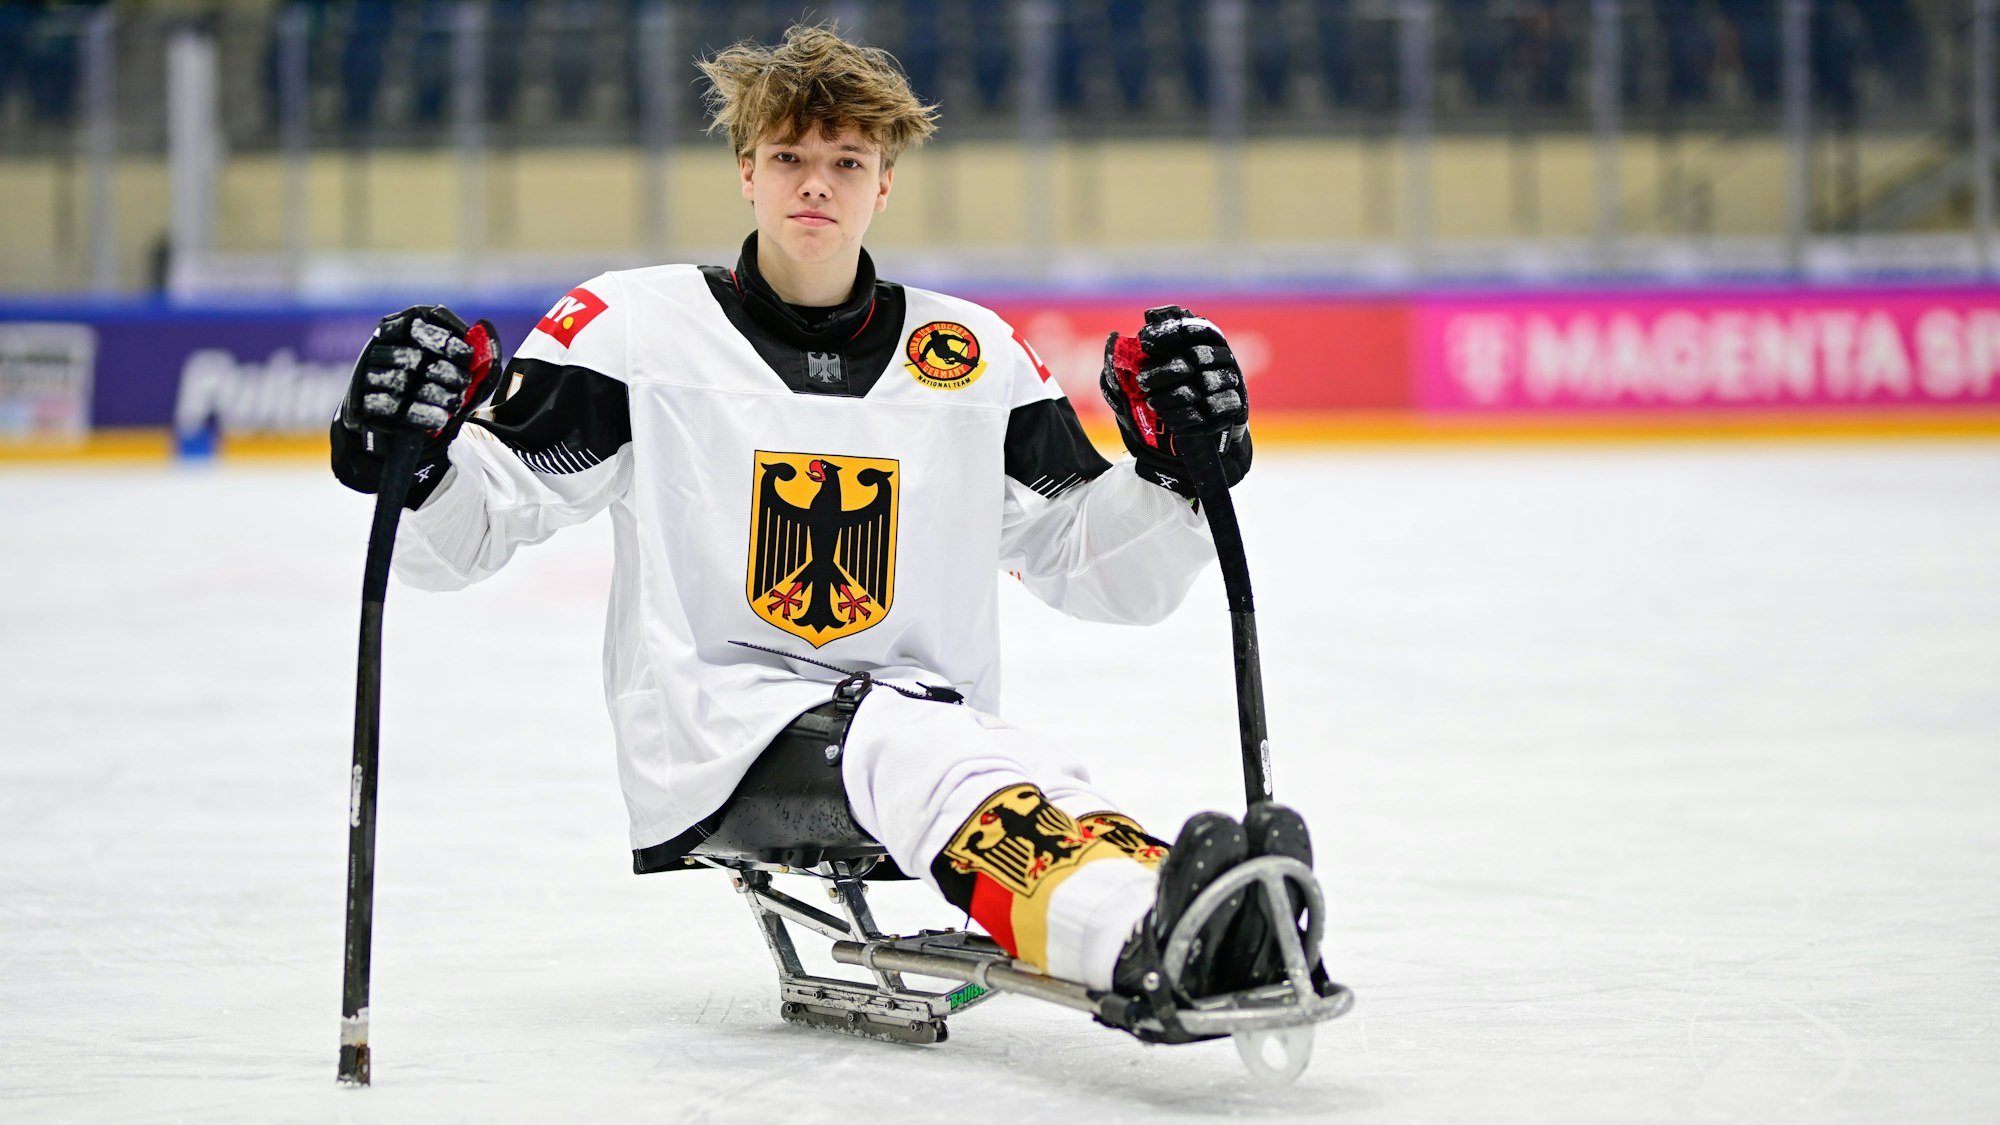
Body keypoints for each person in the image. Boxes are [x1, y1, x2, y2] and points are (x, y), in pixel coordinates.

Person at [328, 24, 1303, 1003]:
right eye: (789, 156)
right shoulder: (636, 331)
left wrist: (1171, 474)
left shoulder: (970, 355)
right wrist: (412, 467)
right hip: (722, 731)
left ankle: (1203, 914)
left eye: (846, 161)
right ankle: (1125, 937)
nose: (815, 183)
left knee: (1016, 765)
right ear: (745, 170)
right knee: (919, 748)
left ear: (883, 183)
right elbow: (481, 523)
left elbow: (1087, 564)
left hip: (924, 724)